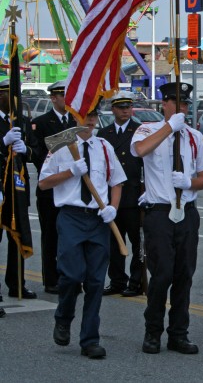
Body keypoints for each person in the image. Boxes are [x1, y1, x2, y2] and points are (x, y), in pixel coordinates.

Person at [131, 82, 203, 355]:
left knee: (184, 276)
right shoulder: (148, 129)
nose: (182, 108)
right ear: (164, 105)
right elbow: (140, 150)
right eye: (176, 103)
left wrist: (189, 182)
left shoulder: (194, 137)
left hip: (187, 213)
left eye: (185, 105)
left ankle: (179, 333)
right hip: (159, 212)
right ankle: (152, 331)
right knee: (162, 274)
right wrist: (170, 127)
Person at [39, 108, 126, 358]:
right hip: (71, 217)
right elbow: (44, 182)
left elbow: (117, 182)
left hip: (98, 219)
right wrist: (70, 172)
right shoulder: (61, 146)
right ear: (75, 117)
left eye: (93, 115)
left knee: (96, 282)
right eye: (84, 115)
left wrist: (113, 208)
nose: (89, 120)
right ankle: (64, 318)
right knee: (71, 275)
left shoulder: (104, 147)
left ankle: (90, 339)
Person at [97, 91, 144, 296]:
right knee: (114, 242)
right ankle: (117, 280)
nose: (126, 110)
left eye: (128, 107)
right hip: (111, 197)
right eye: (121, 107)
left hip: (134, 196)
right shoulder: (103, 134)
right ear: (113, 109)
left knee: (137, 243)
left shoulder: (141, 131)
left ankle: (136, 282)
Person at [32, 80, 77, 294]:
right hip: (50, 188)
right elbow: (38, 153)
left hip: (71, 187)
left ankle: (70, 277)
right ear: (53, 98)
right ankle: (51, 279)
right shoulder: (40, 122)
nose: (67, 100)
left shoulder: (76, 121)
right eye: (63, 95)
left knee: (70, 237)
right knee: (51, 235)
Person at [0, 79, 39, 299]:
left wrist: (26, 150)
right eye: (12, 95)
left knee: (17, 237)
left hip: (18, 187)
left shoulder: (22, 122)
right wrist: (2, 141)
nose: (17, 100)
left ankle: (17, 284)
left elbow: (36, 149)